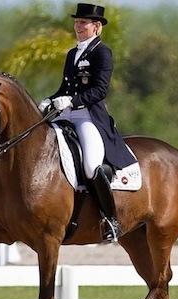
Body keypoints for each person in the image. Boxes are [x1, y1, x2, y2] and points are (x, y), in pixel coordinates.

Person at [38, 3, 132, 243]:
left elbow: (100, 90)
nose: (78, 26)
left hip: (89, 116)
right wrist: (51, 99)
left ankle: (111, 220)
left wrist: (72, 100)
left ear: (96, 27)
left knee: (91, 165)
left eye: (83, 23)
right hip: (66, 114)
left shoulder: (102, 53)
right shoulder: (72, 54)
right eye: (77, 22)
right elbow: (65, 87)